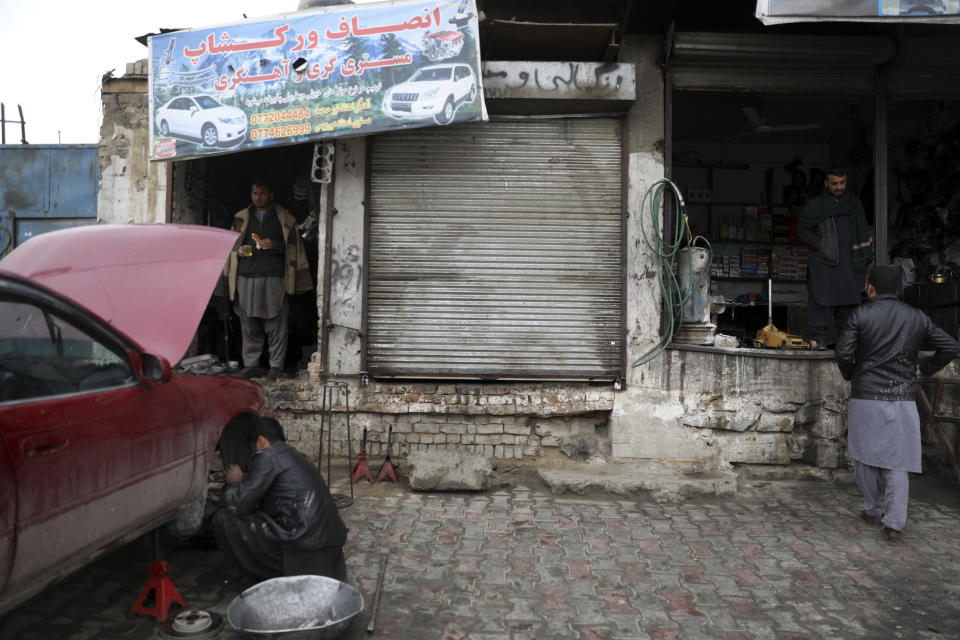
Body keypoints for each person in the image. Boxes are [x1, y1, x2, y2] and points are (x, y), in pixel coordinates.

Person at [835, 266, 960, 545]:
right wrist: (924, 369)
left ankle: (872, 510)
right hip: (903, 397)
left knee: (863, 456)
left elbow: (843, 352)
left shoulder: (861, 314)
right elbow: (951, 345)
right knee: (898, 462)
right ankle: (894, 526)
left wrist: (852, 374)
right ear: (899, 288)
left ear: (870, 287)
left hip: (866, 396)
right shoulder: (916, 317)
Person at [212, 418, 348, 581]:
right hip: (330, 553)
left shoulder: (267, 455)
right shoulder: (294, 455)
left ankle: (266, 576)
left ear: (261, 441)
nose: (253, 457)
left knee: (223, 518)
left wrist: (234, 484)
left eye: (253, 450)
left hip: (303, 552)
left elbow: (239, 504)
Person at [221, 180, 313, 379]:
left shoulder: (285, 219)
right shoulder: (241, 218)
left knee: (276, 324)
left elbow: (294, 250)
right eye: (254, 193)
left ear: (271, 195)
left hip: (273, 277)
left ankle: (276, 367)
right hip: (246, 277)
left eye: (262, 193)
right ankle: (251, 364)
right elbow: (232, 248)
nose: (257, 197)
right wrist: (242, 252)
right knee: (249, 322)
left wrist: (276, 245)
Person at [798, 165, 873, 349]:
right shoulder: (816, 206)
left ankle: (846, 347)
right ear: (826, 184)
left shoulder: (854, 203)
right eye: (834, 183)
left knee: (848, 309)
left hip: (850, 266)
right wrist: (820, 245)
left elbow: (863, 230)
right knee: (821, 303)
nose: (839, 187)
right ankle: (820, 341)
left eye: (842, 182)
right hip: (824, 264)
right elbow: (803, 230)